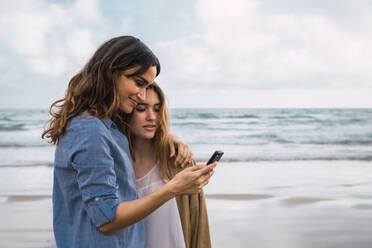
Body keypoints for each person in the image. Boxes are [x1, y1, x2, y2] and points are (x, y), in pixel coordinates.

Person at [42, 35, 216, 248]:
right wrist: (173, 189)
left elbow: (133, 129)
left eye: (148, 86)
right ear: (111, 72)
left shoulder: (106, 127)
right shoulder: (90, 129)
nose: (143, 96)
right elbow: (107, 219)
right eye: (139, 83)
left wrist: (167, 136)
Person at [124, 83, 211, 248]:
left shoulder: (179, 162)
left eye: (157, 109)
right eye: (141, 109)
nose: (152, 117)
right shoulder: (113, 165)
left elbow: (199, 226)